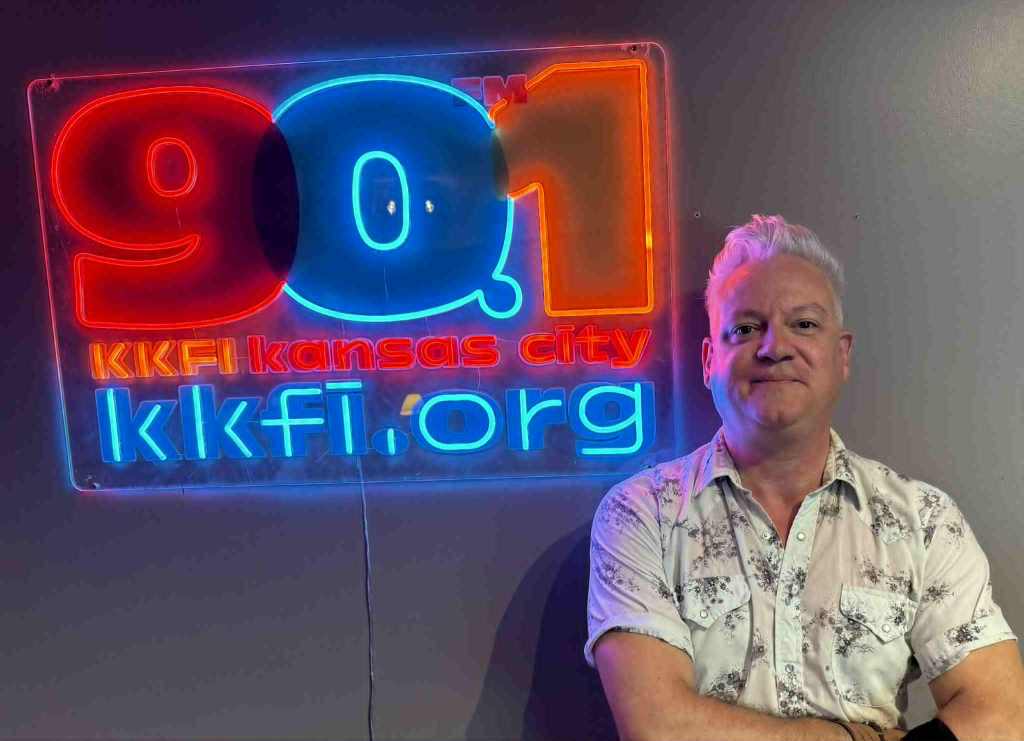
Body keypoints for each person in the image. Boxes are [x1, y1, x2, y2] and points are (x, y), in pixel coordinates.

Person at [585, 215, 1024, 740]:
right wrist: (846, 738)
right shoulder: (642, 516)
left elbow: (1002, 715)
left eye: (805, 325)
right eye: (745, 329)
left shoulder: (924, 522)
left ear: (843, 355)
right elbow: (659, 728)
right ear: (708, 361)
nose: (775, 347)